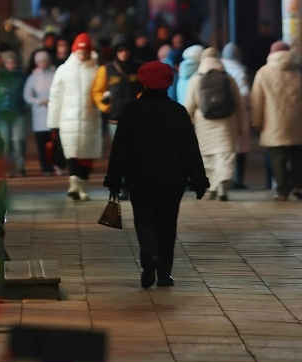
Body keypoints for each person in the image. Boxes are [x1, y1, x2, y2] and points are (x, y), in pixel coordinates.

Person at [103, 61, 209, 288]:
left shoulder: (131, 111)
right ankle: (164, 274)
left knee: (144, 219)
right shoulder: (177, 112)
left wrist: (114, 179)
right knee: (168, 223)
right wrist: (199, 180)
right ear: (169, 82)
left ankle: (149, 253)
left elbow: (120, 148)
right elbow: (190, 149)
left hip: (139, 177)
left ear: (143, 81)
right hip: (172, 179)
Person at [184, 46, 244, 201]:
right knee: (225, 155)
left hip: (204, 123)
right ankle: (223, 185)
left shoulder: (196, 79)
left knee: (207, 157)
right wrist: (240, 126)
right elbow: (239, 104)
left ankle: (210, 189)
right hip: (226, 122)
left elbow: (190, 105)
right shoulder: (228, 78)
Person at [47, 32, 102, 201]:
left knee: (86, 155)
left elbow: (100, 91)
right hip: (68, 119)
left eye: (85, 53)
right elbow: (55, 97)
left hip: (89, 119)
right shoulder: (63, 70)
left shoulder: (96, 70)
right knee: (72, 153)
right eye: (79, 52)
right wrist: (53, 123)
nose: (82, 56)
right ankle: (74, 185)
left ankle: (83, 186)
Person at [91, 34, 142, 198]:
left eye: (126, 50)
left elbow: (145, 89)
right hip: (115, 118)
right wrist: (105, 106)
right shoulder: (105, 70)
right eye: (120, 51)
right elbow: (97, 91)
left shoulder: (139, 68)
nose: (123, 53)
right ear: (115, 52)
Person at [251, 41, 302, 201]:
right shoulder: (297, 70)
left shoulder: (263, 72)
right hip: (297, 121)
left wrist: (256, 121)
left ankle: (282, 190)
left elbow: (257, 100)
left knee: (277, 156)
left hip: (273, 122)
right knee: (297, 153)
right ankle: (296, 185)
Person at [0, 51, 28, 177]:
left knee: (18, 141)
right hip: (2, 114)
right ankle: (8, 169)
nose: (11, 65)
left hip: (17, 112)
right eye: (8, 62)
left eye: (13, 62)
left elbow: (26, 93)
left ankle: (21, 166)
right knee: (5, 142)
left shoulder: (21, 77)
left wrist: (24, 107)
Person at [221, 43, 252, 189]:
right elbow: (246, 95)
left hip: (222, 114)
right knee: (241, 148)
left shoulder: (218, 69)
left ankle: (226, 178)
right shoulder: (240, 72)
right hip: (240, 114)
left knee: (226, 147)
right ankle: (239, 179)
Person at [23, 49, 59, 175]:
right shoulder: (32, 78)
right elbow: (27, 96)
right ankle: (45, 167)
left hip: (53, 113)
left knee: (55, 142)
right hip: (39, 116)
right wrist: (38, 101)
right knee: (42, 144)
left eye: (44, 60)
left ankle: (56, 164)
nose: (42, 63)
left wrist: (53, 101)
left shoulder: (54, 74)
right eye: (39, 61)